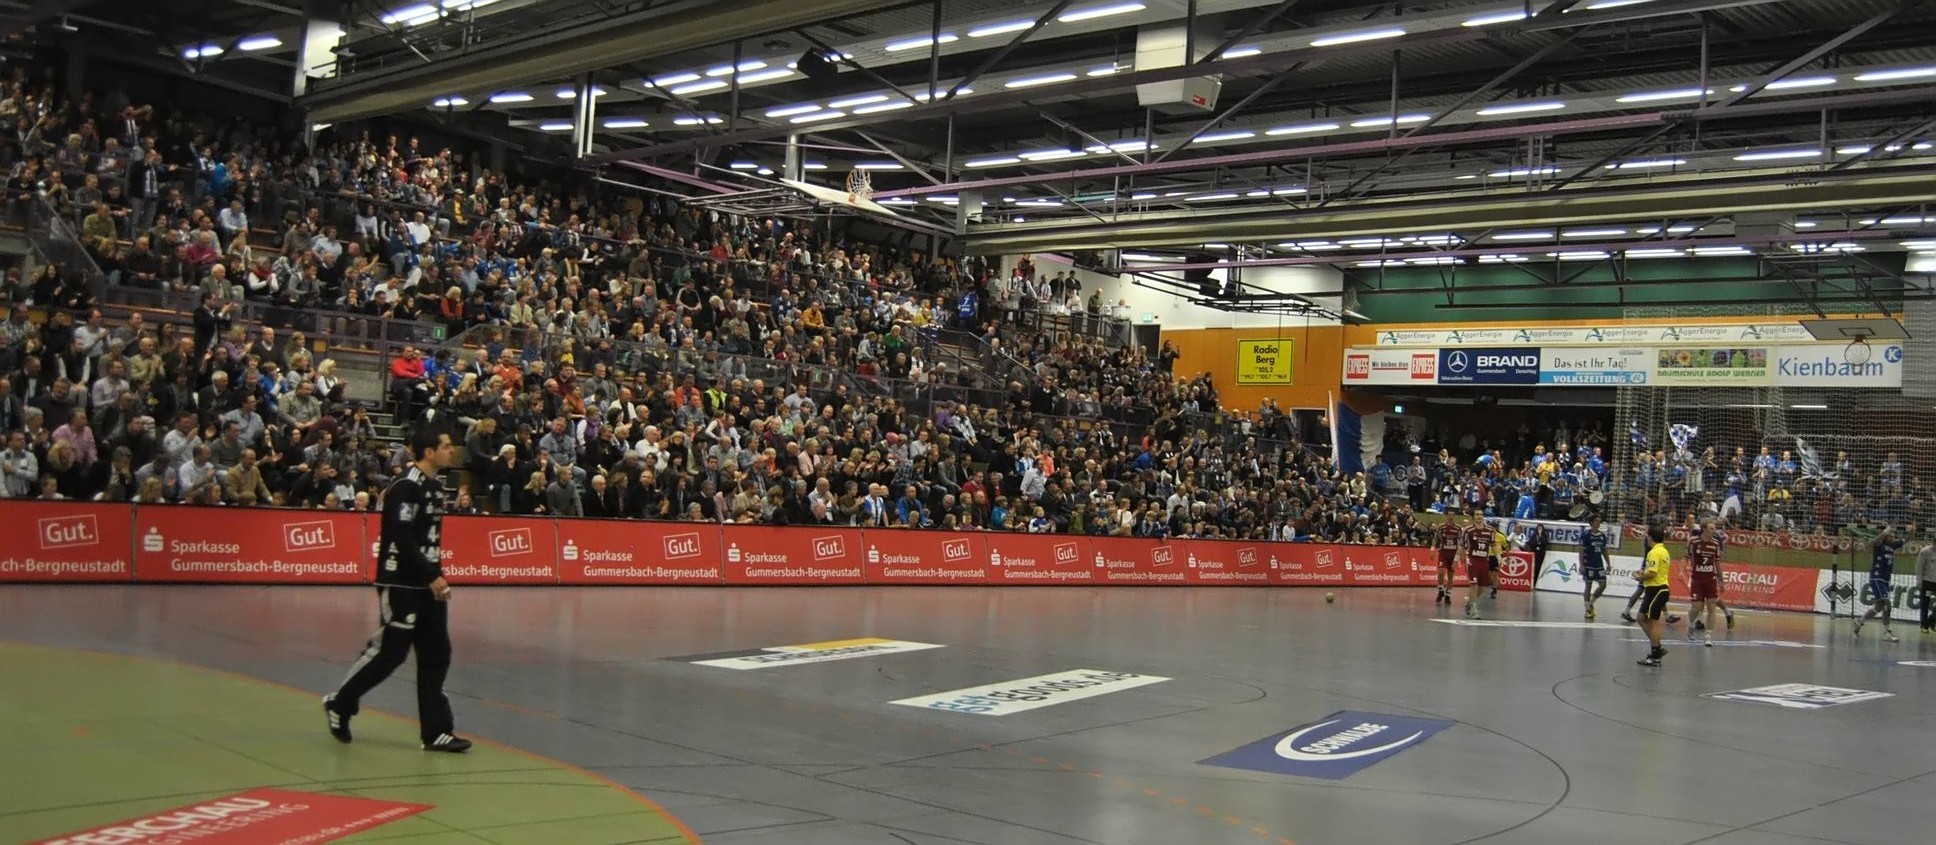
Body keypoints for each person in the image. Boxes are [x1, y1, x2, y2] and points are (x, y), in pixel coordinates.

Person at [324, 428, 471, 753]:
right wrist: (431, 575)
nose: (452, 451)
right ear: (429, 451)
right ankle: (341, 702)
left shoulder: (435, 487)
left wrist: (436, 574)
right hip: (401, 582)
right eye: (446, 446)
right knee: (391, 652)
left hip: (429, 582)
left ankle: (436, 731)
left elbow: (429, 538)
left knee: (437, 652)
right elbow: (400, 535)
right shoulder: (406, 485)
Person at [1854, 528, 1905, 643]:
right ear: (1885, 537)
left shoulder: (1893, 546)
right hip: (1877, 578)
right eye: (1890, 536)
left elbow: (1907, 540)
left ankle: (1859, 621)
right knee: (1887, 604)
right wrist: (1886, 530)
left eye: (1893, 536)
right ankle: (1887, 633)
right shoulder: (1879, 545)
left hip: (1885, 580)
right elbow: (1876, 540)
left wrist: (1912, 530)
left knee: (1879, 606)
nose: (1893, 538)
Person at [1636, 526, 1673, 667]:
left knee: (1653, 622)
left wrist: (1639, 577)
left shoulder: (1654, 552)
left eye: (1647, 535)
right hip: (1654, 589)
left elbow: (1652, 573)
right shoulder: (1663, 550)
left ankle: (1655, 654)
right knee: (1641, 617)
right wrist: (1642, 573)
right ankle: (1657, 646)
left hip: (1656, 589)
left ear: (1651, 537)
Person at [1685, 522, 1722, 647]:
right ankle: (1690, 625)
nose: (1713, 531)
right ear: (1704, 529)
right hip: (1697, 578)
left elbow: (1717, 563)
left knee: (1712, 606)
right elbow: (1685, 557)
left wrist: (1721, 580)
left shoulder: (1715, 543)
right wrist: (1681, 570)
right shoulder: (1694, 542)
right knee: (1697, 606)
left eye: (1714, 529)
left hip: (1711, 578)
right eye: (1711, 529)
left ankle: (1708, 635)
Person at [1579, 512, 1610, 619]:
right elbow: (1581, 551)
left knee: (1603, 585)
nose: (1598, 523)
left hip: (1599, 564)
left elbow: (1604, 550)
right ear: (1591, 522)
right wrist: (1581, 565)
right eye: (1596, 521)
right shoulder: (1586, 535)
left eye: (1599, 521)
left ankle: (1591, 602)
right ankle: (1587, 610)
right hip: (1588, 564)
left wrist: (1608, 563)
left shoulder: (1602, 536)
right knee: (1588, 586)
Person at [1462, 513, 1492, 619]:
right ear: (1473, 517)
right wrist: (1460, 558)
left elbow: (1494, 545)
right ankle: (1474, 611)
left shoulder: (1490, 530)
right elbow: (1462, 545)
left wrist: (1499, 557)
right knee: (1473, 584)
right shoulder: (1468, 530)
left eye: (1481, 514)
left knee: (1482, 587)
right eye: (1477, 514)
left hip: (1484, 560)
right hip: (1472, 560)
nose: (1479, 516)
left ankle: (1469, 602)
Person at [1433, 511, 1463, 605]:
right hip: (1443, 552)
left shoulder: (1458, 528)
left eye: (1452, 514)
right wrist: (1432, 548)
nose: (1451, 516)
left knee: (1450, 575)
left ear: (1454, 516)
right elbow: (1435, 538)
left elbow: (1461, 543)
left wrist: (1458, 557)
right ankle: (1441, 590)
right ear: (1446, 516)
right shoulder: (1441, 527)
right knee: (1441, 571)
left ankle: (1448, 595)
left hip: (1453, 553)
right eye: (1449, 514)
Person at [1918, 540, 1936, 634]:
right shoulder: (1925, 551)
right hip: (1927, 582)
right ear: (1933, 543)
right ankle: (1924, 626)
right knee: (1924, 604)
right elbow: (1919, 567)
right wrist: (1919, 581)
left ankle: (1931, 620)